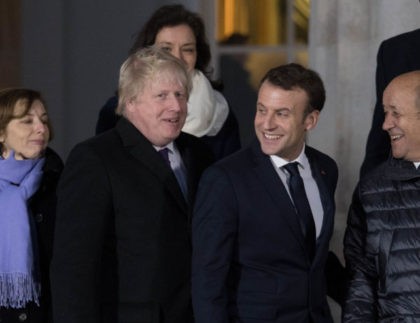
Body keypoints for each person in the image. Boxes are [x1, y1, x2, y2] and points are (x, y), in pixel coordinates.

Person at [50, 47, 213, 323]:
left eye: (180, 95)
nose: (176, 106)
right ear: (130, 102)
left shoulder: (200, 154)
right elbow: (73, 267)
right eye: (161, 96)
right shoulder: (96, 159)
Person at [192, 63, 338, 323]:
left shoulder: (326, 169)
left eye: (281, 113)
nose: (266, 124)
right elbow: (208, 281)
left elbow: (314, 257)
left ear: (310, 120)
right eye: (261, 110)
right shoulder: (225, 179)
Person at [96, 4, 241, 160]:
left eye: (188, 49)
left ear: (198, 54)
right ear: (147, 52)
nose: (177, 57)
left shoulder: (220, 109)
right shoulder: (117, 110)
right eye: (166, 49)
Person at [343, 70, 420, 322]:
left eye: (395, 112)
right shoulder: (372, 190)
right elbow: (361, 280)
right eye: (385, 112)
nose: (386, 124)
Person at [0, 88, 63, 323]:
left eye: (44, 120)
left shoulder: (61, 183)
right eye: (27, 121)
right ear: (1, 133)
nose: (40, 128)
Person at [360, 28, 420, 177]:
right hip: (404, 186)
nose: (387, 124)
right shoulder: (396, 50)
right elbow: (380, 137)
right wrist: (364, 196)